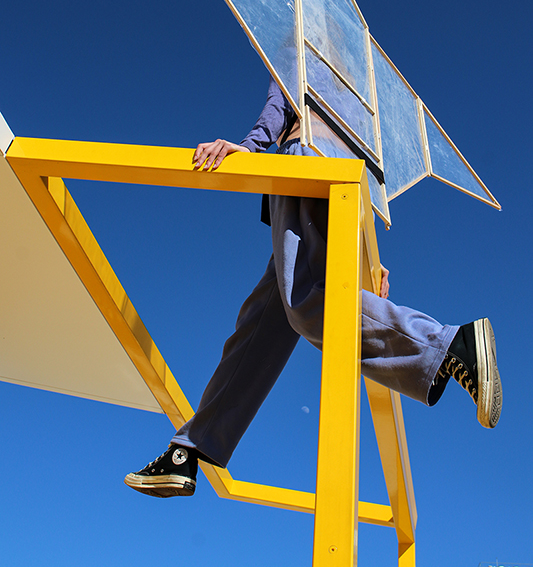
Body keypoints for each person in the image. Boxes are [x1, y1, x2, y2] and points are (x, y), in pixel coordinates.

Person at [124, 76, 502, 498]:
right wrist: (366, 253)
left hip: (305, 161)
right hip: (342, 181)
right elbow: (368, 158)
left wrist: (249, 147)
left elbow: (281, 104)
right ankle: (188, 452)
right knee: (264, 324)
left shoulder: (299, 38)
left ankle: (449, 345)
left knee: (304, 302)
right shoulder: (360, 78)